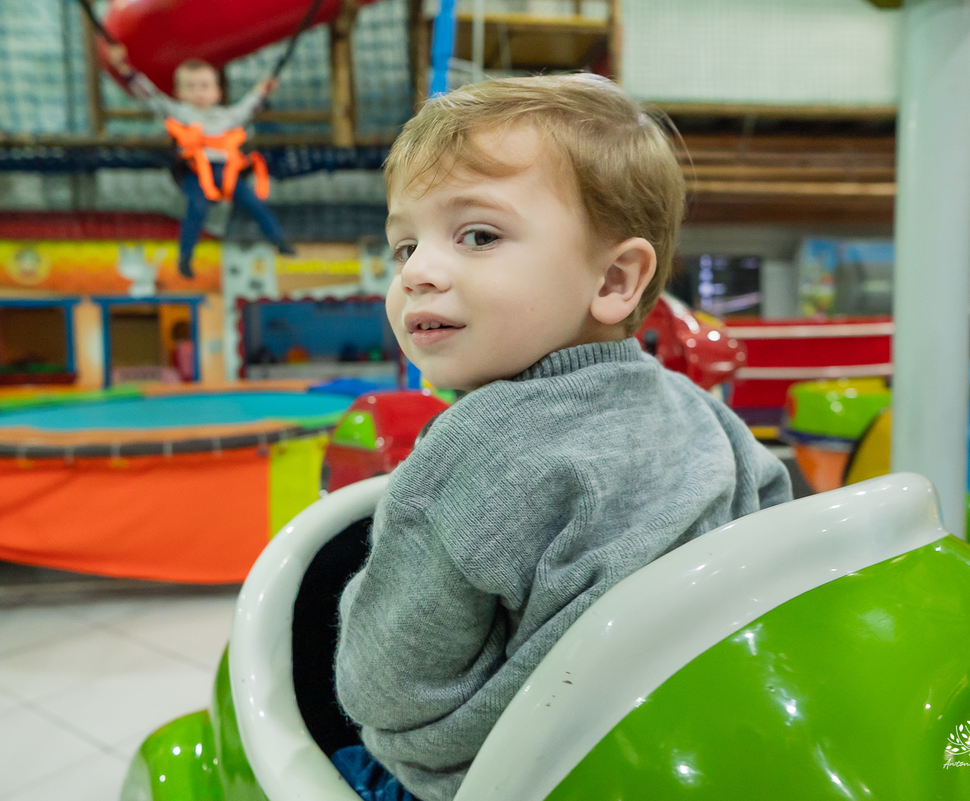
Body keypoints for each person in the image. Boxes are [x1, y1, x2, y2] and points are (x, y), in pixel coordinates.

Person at [333, 73, 792, 801]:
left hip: (517, 775)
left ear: (615, 279)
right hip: (694, 740)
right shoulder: (704, 413)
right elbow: (774, 538)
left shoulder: (469, 448)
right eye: (404, 245)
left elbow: (384, 686)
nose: (418, 272)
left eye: (477, 235)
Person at [108, 45, 295, 279]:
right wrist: (128, 72)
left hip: (225, 173)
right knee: (196, 208)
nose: (198, 93)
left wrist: (262, 90)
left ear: (217, 92)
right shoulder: (180, 113)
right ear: (180, 93)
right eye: (191, 87)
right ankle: (185, 257)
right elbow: (151, 97)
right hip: (194, 173)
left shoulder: (227, 117)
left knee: (255, 203)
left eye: (205, 87)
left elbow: (249, 106)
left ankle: (279, 241)